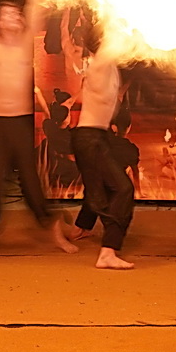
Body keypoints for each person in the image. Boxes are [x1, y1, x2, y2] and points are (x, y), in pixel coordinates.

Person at [0, 0, 67, 257]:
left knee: (29, 177)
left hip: (21, 122)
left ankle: (51, 227)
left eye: (16, 14)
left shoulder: (27, 43)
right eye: (5, 14)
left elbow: (34, 2)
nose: (10, 17)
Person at [64, 15, 138, 270]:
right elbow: (110, 43)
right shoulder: (99, 65)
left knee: (102, 190)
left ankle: (82, 229)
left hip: (99, 136)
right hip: (88, 138)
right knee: (123, 189)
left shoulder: (112, 69)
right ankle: (108, 251)